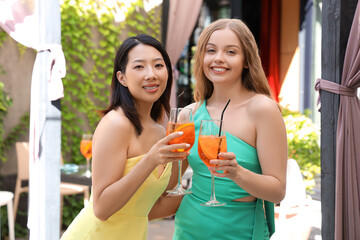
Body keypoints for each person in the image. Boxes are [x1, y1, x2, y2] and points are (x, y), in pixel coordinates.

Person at [61, 34, 189, 240]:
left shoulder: (159, 131)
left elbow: (154, 207)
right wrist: (150, 160)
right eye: (139, 67)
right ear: (122, 78)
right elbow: (101, 209)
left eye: (158, 65)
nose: (151, 74)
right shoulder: (116, 124)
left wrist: (209, 185)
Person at [173, 18, 288, 240]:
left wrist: (237, 172)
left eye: (231, 52)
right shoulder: (189, 114)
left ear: (246, 60)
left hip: (240, 232)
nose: (218, 58)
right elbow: (170, 184)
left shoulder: (263, 110)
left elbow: (277, 192)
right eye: (211, 50)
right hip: (188, 228)